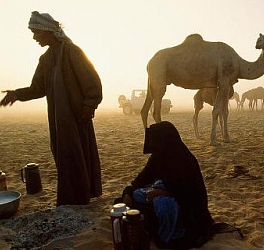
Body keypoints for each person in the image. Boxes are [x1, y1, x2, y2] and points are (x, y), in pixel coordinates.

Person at [0, 11, 103, 206]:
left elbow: (92, 81)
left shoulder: (71, 51)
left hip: (76, 116)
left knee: (78, 155)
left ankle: (81, 197)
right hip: (58, 119)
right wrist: (16, 94)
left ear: (47, 31)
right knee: (64, 156)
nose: (34, 37)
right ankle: (71, 198)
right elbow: (38, 88)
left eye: (36, 32)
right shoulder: (45, 59)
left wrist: (89, 105)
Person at [119, 121, 214, 249]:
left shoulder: (184, 160)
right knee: (129, 199)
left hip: (186, 209)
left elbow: (190, 194)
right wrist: (128, 193)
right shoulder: (158, 157)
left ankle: (168, 232)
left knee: (163, 205)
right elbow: (141, 179)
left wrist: (164, 192)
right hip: (165, 195)